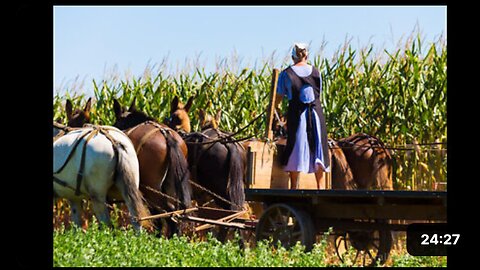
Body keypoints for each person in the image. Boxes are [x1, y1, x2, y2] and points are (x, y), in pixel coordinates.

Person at [274, 43, 331, 189]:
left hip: (297, 114)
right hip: (316, 114)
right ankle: (320, 186)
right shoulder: (317, 72)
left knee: (295, 146)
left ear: (293, 57)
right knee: (318, 146)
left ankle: (294, 186)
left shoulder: (286, 74)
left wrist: (275, 110)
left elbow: (278, 98)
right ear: (306, 55)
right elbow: (318, 94)